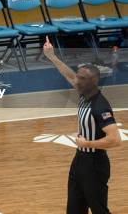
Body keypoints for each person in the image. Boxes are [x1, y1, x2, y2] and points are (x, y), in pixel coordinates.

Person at [43, 38, 121, 214]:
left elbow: (115, 140)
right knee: (74, 209)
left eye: (81, 79)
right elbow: (68, 75)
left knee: (99, 209)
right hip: (79, 160)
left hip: (95, 164)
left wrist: (88, 144)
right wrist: (52, 56)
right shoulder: (83, 94)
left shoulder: (100, 106)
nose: (76, 81)